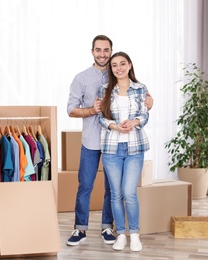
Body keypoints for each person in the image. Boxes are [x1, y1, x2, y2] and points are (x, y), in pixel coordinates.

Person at [66, 35, 153, 246]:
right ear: (92, 51)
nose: (103, 54)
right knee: (85, 185)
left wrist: (148, 104)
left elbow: (141, 103)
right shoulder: (82, 78)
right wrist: (91, 110)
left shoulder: (120, 76)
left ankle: (108, 227)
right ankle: (80, 228)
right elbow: (71, 110)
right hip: (92, 140)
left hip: (115, 143)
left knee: (111, 189)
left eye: (107, 50)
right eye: (99, 50)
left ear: (111, 51)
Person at [98, 51, 150, 252]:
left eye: (122, 64)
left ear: (129, 65)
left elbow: (145, 114)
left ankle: (134, 234)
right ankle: (121, 234)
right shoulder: (105, 90)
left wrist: (135, 122)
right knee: (116, 194)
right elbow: (101, 117)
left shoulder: (140, 88)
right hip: (111, 148)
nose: (118, 68)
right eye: (114, 65)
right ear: (111, 69)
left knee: (129, 192)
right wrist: (114, 126)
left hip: (134, 147)